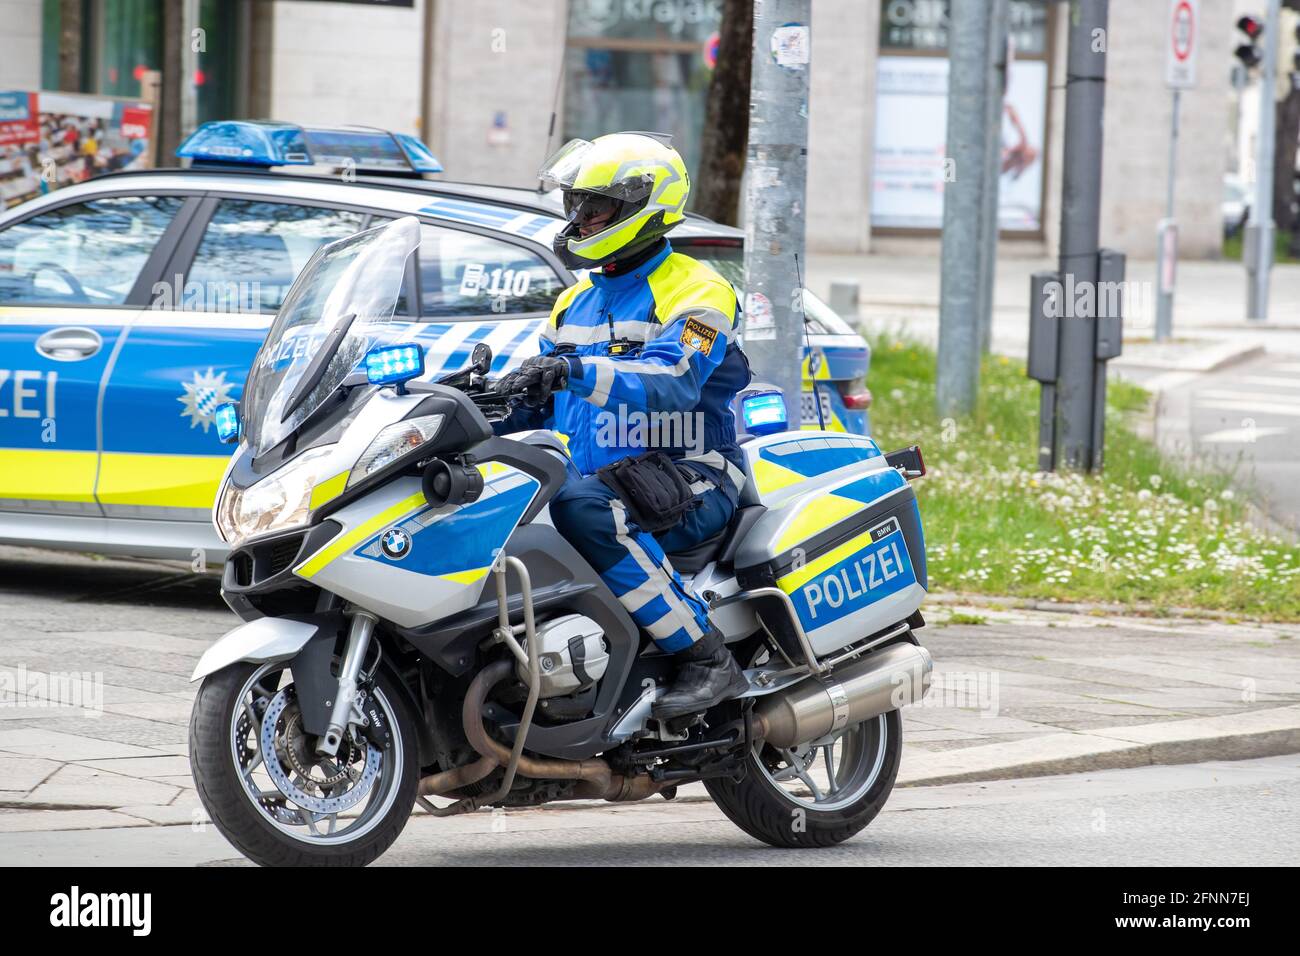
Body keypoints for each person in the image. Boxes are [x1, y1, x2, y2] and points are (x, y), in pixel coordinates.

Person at [493, 132, 751, 720]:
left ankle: (706, 655)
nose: (580, 219)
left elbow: (674, 378)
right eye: (576, 206)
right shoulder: (575, 302)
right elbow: (544, 391)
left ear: (645, 206)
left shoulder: (699, 291)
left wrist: (573, 370)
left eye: (597, 207)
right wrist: (482, 395)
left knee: (585, 508)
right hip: (603, 476)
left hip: (693, 475)